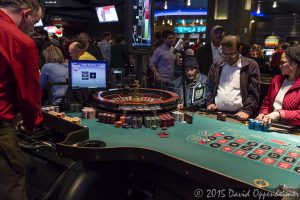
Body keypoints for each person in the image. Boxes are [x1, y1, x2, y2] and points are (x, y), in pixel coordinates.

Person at [0, 0, 43, 199]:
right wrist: (32, 124)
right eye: (35, 22)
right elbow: (28, 97)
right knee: (13, 188)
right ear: (26, 13)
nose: (33, 29)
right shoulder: (20, 41)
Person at [206, 35, 260, 121]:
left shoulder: (251, 65)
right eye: (225, 54)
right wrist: (210, 102)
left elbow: (254, 93)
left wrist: (247, 110)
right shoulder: (216, 64)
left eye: (232, 54)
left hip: (239, 115)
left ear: (239, 49)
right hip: (216, 112)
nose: (228, 58)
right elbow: (209, 86)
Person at [256, 46, 300, 126]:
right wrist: (263, 113)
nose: (280, 66)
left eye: (283, 62)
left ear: (294, 64)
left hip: (292, 129)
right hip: (270, 125)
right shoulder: (276, 80)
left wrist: (278, 113)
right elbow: (267, 102)